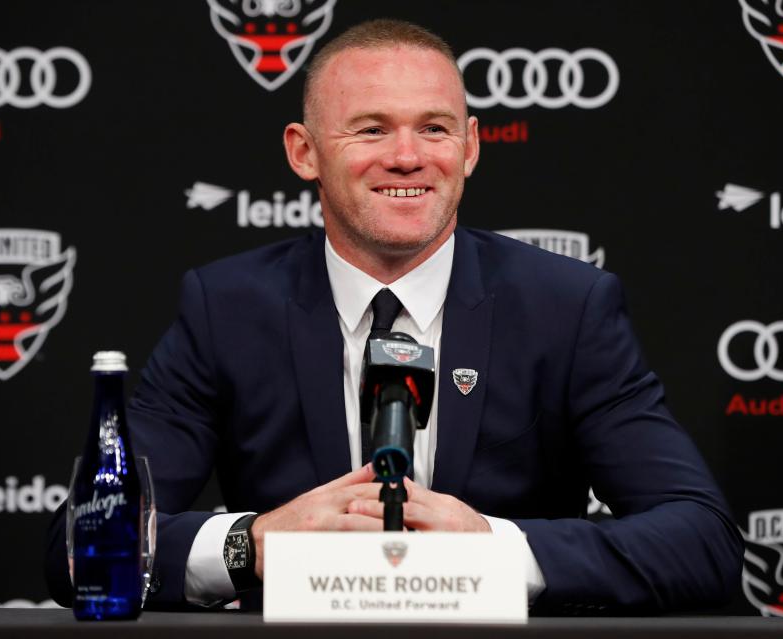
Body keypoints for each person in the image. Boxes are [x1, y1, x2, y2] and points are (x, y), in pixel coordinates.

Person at [46, 19, 742, 615]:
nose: (407, 156)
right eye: (371, 128)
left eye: (433, 128)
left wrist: (495, 548)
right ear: (304, 151)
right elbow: (80, 544)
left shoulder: (567, 308)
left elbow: (701, 539)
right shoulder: (226, 308)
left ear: (469, 148)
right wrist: (252, 541)